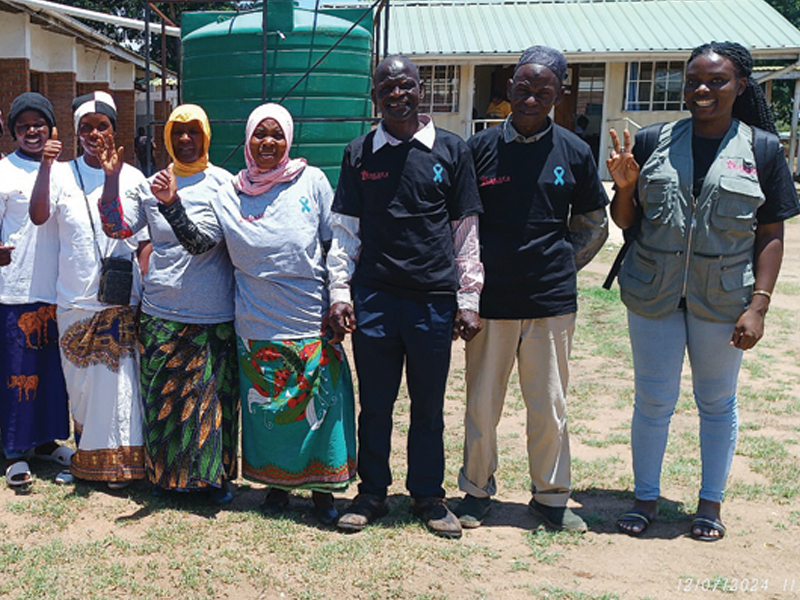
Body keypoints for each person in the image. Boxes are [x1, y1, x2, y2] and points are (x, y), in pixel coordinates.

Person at [607, 41, 800, 541]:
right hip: (654, 293)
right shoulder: (652, 141)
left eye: (716, 81)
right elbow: (627, 223)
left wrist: (759, 306)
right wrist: (625, 188)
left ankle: (710, 504)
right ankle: (645, 498)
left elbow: (771, 233)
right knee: (653, 400)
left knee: (716, 403)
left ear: (740, 85)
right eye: (693, 80)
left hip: (723, 299)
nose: (702, 90)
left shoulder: (762, 149)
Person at [159, 102, 356, 525]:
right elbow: (200, 243)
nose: (268, 142)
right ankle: (277, 486)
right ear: (247, 141)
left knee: (317, 410)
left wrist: (338, 297)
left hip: (309, 317)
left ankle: (322, 491)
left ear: (288, 139)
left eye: (276, 134)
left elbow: (334, 243)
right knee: (270, 413)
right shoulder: (229, 193)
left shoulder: (312, 182)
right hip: (256, 321)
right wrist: (172, 205)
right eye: (259, 134)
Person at [326, 55, 484, 539]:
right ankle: (372, 493)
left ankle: (428, 496)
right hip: (374, 299)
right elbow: (345, 232)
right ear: (375, 96)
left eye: (406, 85)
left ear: (421, 89)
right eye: (387, 88)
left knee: (428, 407)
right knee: (375, 405)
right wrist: (340, 292)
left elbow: (465, 232)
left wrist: (469, 299)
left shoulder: (451, 151)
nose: (397, 94)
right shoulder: (359, 154)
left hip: (432, 301)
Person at [453, 46, 609, 532]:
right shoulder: (478, 149)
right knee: (482, 405)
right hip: (491, 303)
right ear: (509, 88)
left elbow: (592, 225)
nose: (531, 98)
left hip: (550, 304)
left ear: (559, 95)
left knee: (549, 405)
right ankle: (476, 492)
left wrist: (557, 266)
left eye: (544, 90)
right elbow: (461, 223)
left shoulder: (574, 151)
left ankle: (550, 497)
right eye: (523, 87)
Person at [97, 104, 239, 504]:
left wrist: (172, 204)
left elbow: (201, 243)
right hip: (160, 313)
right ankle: (167, 478)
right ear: (167, 139)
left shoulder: (224, 185)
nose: (185, 139)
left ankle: (214, 481)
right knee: (165, 398)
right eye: (177, 132)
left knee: (210, 403)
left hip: (212, 314)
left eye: (193, 131)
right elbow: (117, 228)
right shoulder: (151, 184)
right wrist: (111, 180)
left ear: (206, 135)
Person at [29, 91, 149, 489]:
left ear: (114, 129)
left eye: (102, 126)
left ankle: (123, 467)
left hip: (120, 299)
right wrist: (46, 166)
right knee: (81, 388)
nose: (94, 134)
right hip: (74, 298)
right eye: (86, 128)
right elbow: (39, 215)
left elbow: (144, 241)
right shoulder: (62, 173)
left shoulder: (133, 178)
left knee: (119, 388)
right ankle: (88, 459)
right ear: (75, 132)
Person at [0, 92, 73, 489]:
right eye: (23, 125)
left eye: (38, 124)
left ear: (51, 128)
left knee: (50, 371)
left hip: (56, 288)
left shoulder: (64, 172)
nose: (32, 131)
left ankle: (46, 441)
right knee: (18, 372)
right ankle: (15, 449)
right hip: (15, 289)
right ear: (13, 131)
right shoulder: (4, 171)